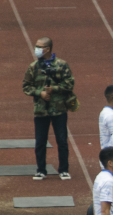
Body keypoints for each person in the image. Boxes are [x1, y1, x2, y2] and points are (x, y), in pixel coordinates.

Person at [23, 37, 74, 181]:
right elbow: (26, 86)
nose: (37, 49)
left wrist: (54, 89)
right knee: (40, 141)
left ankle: (63, 169)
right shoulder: (33, 67)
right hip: (41, 110)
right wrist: (41, 93)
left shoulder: (62, 65)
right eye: (36, 46)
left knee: (62, 140)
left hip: (59, 109)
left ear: (48, 49)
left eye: (40, 47)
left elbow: (69, 84)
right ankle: (41, 170)